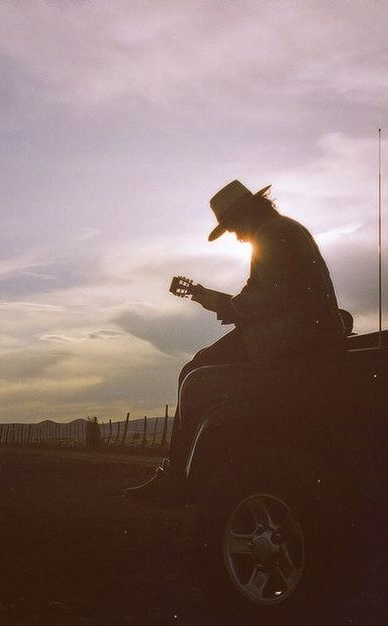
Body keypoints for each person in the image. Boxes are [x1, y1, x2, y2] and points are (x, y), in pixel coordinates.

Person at [123, 179, 347, 504]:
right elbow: (267, 294)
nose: (234, 235)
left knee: (195, 371)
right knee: (204, 365)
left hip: (290, 334)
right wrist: (221, 302)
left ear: (245, 213)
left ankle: (176, 476)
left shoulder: (270, 236)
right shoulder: (284, 229)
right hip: (307, 328)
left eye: (231, 226)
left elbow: (266, 299)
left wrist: (224, 304)